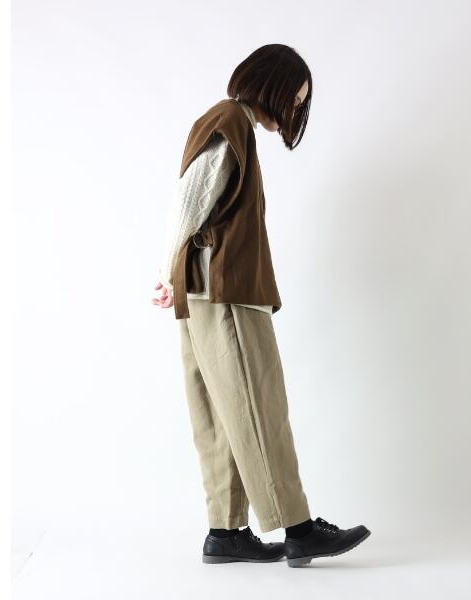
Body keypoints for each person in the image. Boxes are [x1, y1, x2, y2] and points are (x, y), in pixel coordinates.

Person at [152, 44, 371, 567]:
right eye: (295, 95)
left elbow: (192, 200)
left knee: (221, 413)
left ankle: (225, 533)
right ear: (271, 83)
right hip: (227, 290)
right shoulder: (231, 120)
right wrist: (164, 270)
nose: (296, 106)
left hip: (204, 289)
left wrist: (172, 273)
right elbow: (191, 199)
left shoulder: (228, 122)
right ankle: (298, 527)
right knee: (258, 404)